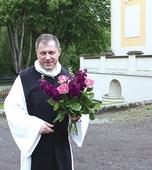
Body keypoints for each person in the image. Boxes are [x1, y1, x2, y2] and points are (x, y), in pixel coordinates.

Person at [4, 34, 89, 170]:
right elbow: (12, 108)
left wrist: (76, 118)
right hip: (36, 144)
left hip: (61, 146)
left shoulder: (69, 78)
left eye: (51, 52)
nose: (47, 57)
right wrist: (35, 126)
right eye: (43, 53)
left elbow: (82, 109)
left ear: (59, 52)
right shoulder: (24, 78)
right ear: (36, 53)